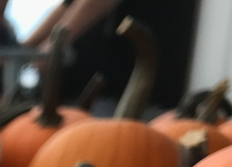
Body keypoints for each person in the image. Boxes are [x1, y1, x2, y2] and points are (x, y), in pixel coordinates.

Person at [23, 0, 197, 115]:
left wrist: (56, 44)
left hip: (129, 96)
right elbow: (70, 5)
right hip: (87, 97)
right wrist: (23, 49)